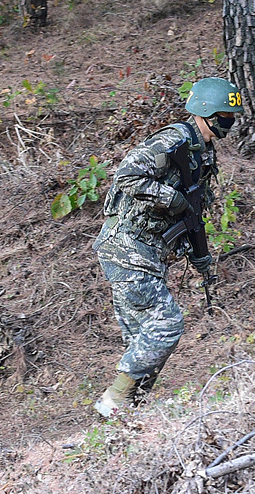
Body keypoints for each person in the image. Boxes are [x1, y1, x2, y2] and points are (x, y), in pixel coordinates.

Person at [93, 77, 242, 416]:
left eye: (232, 116)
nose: (229, 123)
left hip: (146, 249)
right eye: (224, 115)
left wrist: (200, 257)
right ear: (205, 112)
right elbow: (127, 177)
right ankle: (114, 399)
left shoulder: (202, 152)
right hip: (127, 245)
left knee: (143, 339)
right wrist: (169, 198)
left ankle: (130, 410)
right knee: (166, 324)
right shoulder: (174, 140)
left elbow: (193, 214)